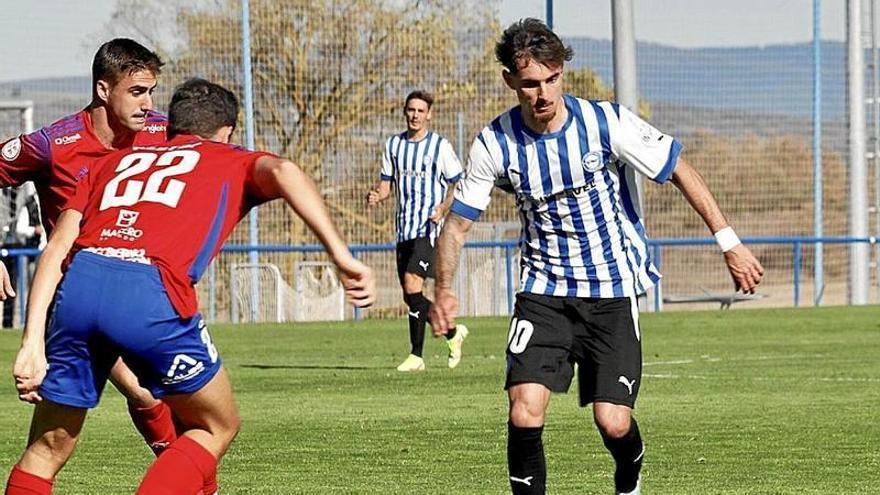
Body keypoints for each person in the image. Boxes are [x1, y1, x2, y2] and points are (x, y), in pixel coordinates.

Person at [429, 18, 765, 495]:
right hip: (543, 294)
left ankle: (629, 477)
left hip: (610, 293)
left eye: (551, 79)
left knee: (612, 422)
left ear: (562, 71)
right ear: (510, 80)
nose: (542, 93)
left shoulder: (606, 123)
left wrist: (729, 242)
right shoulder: (494, 143)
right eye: (529, 83)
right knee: (524, 410)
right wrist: (443, 289)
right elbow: (457, 225)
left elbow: (679, 168)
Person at [7, 78, 376, 494]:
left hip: (78, 289)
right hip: (149, 290)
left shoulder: (111, 163)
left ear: (169, 127)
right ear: (228, 132)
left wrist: (32, 342)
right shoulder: (228, 158)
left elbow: (57, 247)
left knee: (47, 447)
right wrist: (342, 257)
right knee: (215, 424)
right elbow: (285, 170)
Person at [0, 38, 206, 490]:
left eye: (152, 91)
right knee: (61, 434)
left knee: (161, 399)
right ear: (102, 89)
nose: (149, 104)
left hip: (139, 290)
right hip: (74, 295)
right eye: (137, 92)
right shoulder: (54, 144)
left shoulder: (162, 133)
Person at [367, 90, 468, 371]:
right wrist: (377, 195)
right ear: (405, 112)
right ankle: (451, 334)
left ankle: (416, 355)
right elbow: (386, 186)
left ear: (429, 114)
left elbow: (458, 182)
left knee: (414, 283)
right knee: (410, 296)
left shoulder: (439, 146)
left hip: (428, 230)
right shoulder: (394, 146)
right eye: (411, 110)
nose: (415, 115)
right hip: (403, 230)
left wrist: (443, 208)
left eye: (420, 111)